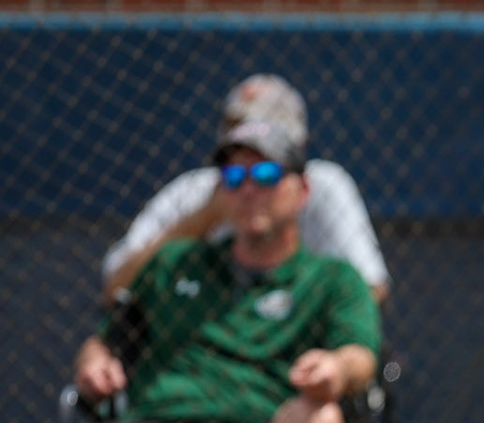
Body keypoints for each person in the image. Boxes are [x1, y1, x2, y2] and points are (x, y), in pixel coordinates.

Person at [44, 118, 382, 423]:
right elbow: (104, 341)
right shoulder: (172, 264)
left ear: (302, 190)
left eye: (264, 176)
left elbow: (361, 357)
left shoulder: (333, 280)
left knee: (320, 422)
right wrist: (93, 364)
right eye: (233, 179)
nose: (248, 191)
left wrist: (336, 370)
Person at [102, 74, 391, 306]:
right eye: (237, 174)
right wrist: (205, 216)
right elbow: (116, 284)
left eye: (267, 174)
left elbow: (372, 287)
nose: (250, 189)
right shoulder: (192, 189)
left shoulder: (323, 184)